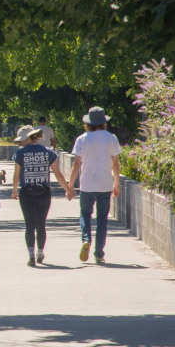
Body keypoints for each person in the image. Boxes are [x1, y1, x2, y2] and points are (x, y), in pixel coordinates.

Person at [11, 125, 74, 266]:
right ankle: (40, 253)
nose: (20, 143)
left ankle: (31, 256)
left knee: (29, 225)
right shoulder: (48, 152)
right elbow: (58, 174)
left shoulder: (20, 154)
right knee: (41, 225)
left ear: (27, 138)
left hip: (26, 193)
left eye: (21, 140)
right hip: (44, 193)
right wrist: (68, 190)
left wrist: (15, 190)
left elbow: (16, 175)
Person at [68, 106, 122, 264]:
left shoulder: (82, 138)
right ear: (104, 122)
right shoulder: (111, 138)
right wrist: (116, 184)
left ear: (88, 123)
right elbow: (116, 163)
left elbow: (76, 164)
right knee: (102, 219)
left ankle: (86, 240)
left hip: (87, 186)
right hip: (105, 185)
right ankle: (99, 253)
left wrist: (70, 186)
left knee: (85, 214)